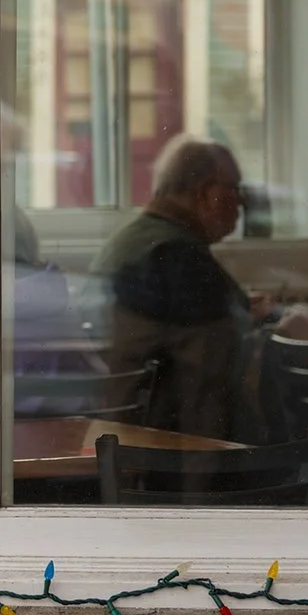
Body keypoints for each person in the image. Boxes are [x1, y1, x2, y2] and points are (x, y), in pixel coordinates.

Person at [91, 135, 263, 442]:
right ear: (205, 193)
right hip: (172, 454)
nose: (240, 203)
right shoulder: (178, 255)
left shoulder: (127, 241)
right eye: (234, 189)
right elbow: (221, 369)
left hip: (119, 439)